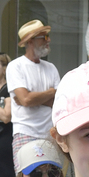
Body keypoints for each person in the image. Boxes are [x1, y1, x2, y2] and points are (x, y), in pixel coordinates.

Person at [7, 20, 59, 156]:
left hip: (50, 134)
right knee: (26, 175)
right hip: (25, 132)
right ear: (30, 41)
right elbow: (26, 100)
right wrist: (52, 92)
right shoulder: (15, 66)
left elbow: (58, 102)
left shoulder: (51, 67)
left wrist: (32, 98)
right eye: (44, 37)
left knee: (51, 176)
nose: (49, 40)